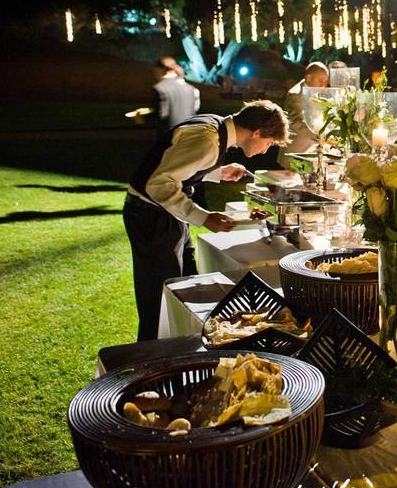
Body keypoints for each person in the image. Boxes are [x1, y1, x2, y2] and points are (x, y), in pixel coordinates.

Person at [123, 100, 289, 341]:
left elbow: (177, 164)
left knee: (183, 288)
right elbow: (158, 184)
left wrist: (216, 172)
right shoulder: (208, 140)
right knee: (159, 303)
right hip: (152, 218)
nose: (265, 150)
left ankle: (183, 351)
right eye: (270, 143)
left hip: (167, 215)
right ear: (256, 132)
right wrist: (204, 218)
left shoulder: (214, 127)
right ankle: (152, 361)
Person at [277, 61, 330, 169]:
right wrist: (321, 137)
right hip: (295, 153)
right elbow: (296, 123)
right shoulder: (295, 94)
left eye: (325, 82)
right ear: (308, 78)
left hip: (312, 152)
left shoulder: (317, 93)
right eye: (320, 80)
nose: (323, 85)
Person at [152, 56, 201, 135]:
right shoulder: (192, 88)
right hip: (188, 132)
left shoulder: (159, 88)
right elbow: (195, 109)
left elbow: (162, 115)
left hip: (169, 135)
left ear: (161, 70)